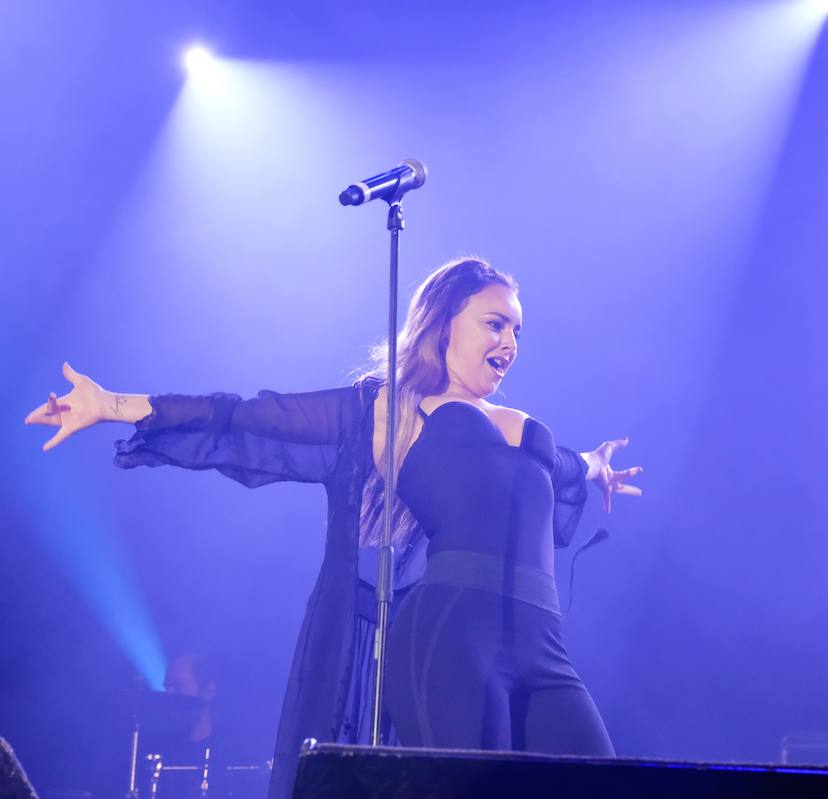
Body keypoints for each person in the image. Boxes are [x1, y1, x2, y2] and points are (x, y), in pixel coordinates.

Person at [25, 257, 641, 798]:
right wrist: (113, 406)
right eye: (494, 322)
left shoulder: (516, 422)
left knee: (601, 780)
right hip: (452, 639)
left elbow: (567, 464)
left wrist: (596, 468)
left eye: (516, 329)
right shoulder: (387, 411)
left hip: (542, 645)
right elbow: (248, 418)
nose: (509, 341)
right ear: (444, 321)